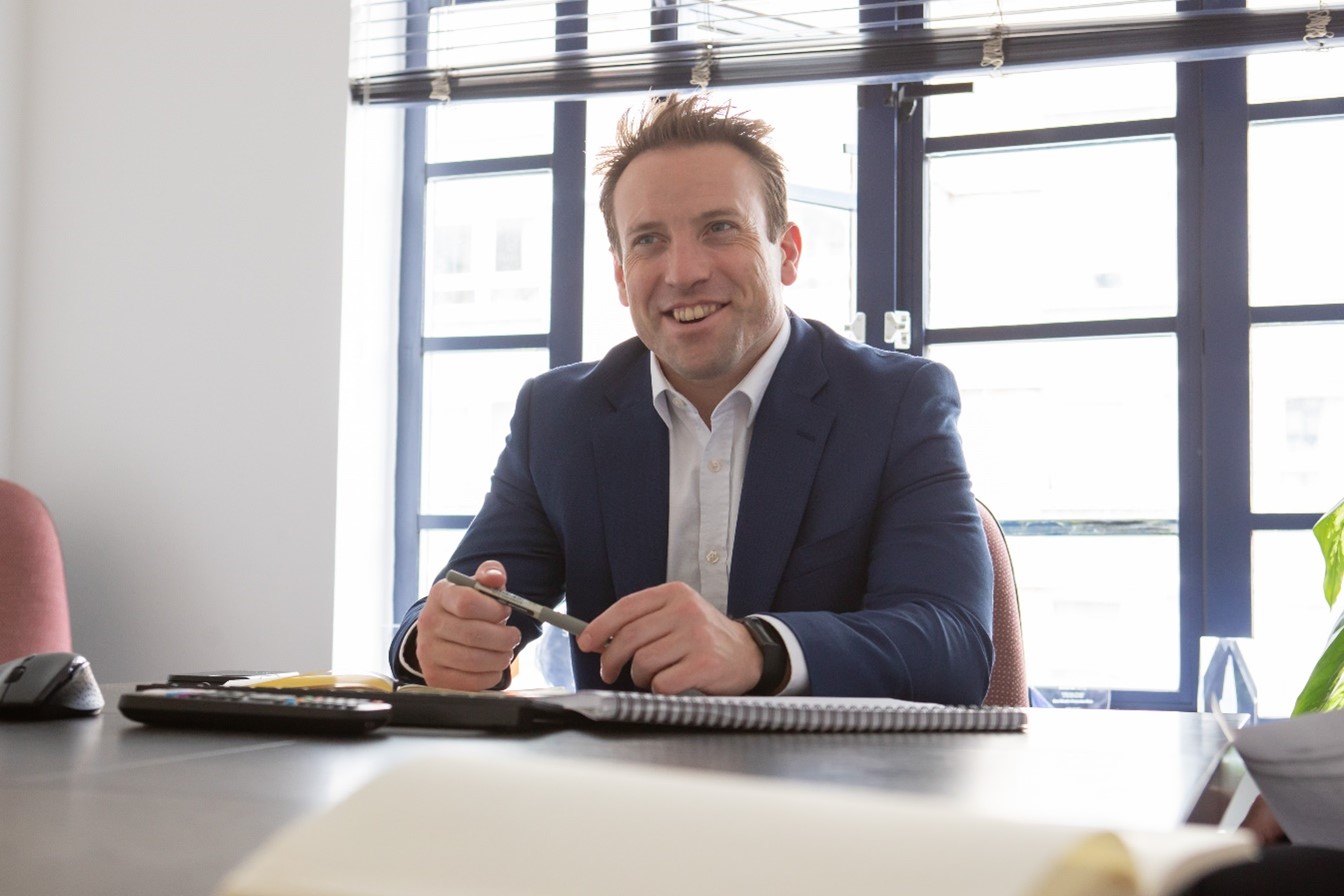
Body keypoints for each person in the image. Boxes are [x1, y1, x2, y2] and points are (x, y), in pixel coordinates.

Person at [388, 93, 993, 702]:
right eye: (648, 240)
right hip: (623, 790)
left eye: (719, 228)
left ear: (786, 252)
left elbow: (953, 645)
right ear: (622, 276)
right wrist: (436, 642)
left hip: (833, 788)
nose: (682, 272)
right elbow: (473, 600)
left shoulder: (896, 403)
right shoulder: (558, 417)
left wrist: (760, 649)